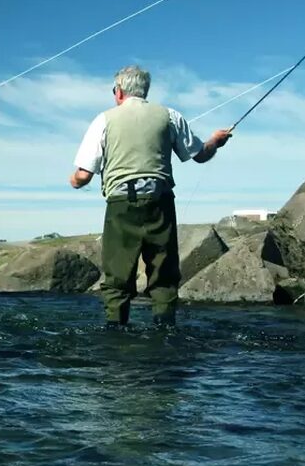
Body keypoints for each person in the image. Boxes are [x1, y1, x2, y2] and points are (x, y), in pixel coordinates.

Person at [69, 65, 231, 328]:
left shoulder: (103, 120)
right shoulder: (170, 116)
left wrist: (74, 180)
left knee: (117, 276)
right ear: (145, 91)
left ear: (118, 92)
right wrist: (216, 141)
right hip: (161, 203)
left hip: (122, 206)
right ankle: (165, 331)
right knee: (164, 274)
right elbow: (201, 154)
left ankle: (115, 332)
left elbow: (84, 175)